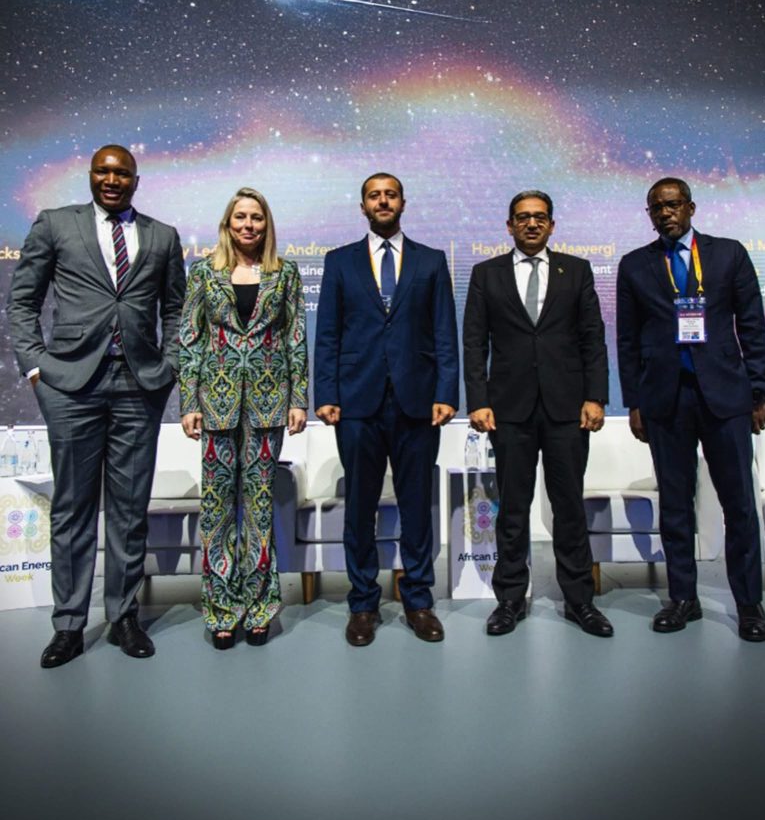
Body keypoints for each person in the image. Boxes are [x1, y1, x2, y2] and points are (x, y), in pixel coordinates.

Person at [6, 144, 185, 668]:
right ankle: (68, 624)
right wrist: (35, 367)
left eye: (122, 173)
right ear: (90, 176)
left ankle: (124, 616)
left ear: (136, 180)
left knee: (129, 509)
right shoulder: (56, 224)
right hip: (69, 385)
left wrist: (169, 365)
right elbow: (23, 301)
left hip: (139, 385)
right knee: (72, 507)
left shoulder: (162, 236)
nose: (112, 180)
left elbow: (176, 310)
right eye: (103, 172)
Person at [616, 177, 765, 641]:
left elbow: (752, 325)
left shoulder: (729, 254)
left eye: (672, 205)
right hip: (665, 399)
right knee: (674, 504)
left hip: (725, 397)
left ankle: (748, 604)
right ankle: (683, 598)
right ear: (649, 215)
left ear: (691, 207)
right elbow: (627, 340)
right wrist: (634, 402)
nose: (665, 213)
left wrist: (758, 392)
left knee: (739, 504)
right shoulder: (635, 265)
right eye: (656, 208)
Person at [314, 173, 458, 646]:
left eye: (390, 194)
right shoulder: (339, 261)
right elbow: (328, 334)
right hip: (357, 402)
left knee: (417, 506)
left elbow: (444, 332)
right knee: (359, 508)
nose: (382, 201)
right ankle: (362, 604)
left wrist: (447, 392)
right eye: (374, 195)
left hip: (418, 402)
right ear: (363, 206)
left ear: (402, 203)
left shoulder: (431, 261)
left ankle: (418, 601)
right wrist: (326, 393)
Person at [463, 190, 613, 637]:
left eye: (540, 217)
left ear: (552, 225)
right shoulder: (486, 274)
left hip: (568, 409)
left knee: (569, 507)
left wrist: (596, 397)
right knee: (512, 509)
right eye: (523, 217)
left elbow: (593, 338)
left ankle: (580, 601)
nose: (532, 224)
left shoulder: (577, 270)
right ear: (509, 225)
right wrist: (478, 400)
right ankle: (510, 600)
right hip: (508, 410)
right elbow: (475, 342)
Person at [179, 188, 308, 649]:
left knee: (258, 509)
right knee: (216, 511)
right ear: (228, 224)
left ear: (266, 224)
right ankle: (220, 611)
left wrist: (299, 399)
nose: (248, 225)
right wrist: (189, 403)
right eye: (240, 217)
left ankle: (259, 608)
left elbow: (295, 338)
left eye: (256, 217)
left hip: (269, 405)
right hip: (215, 403)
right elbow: (190, 340)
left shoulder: (284, 273)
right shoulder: (203, 273)